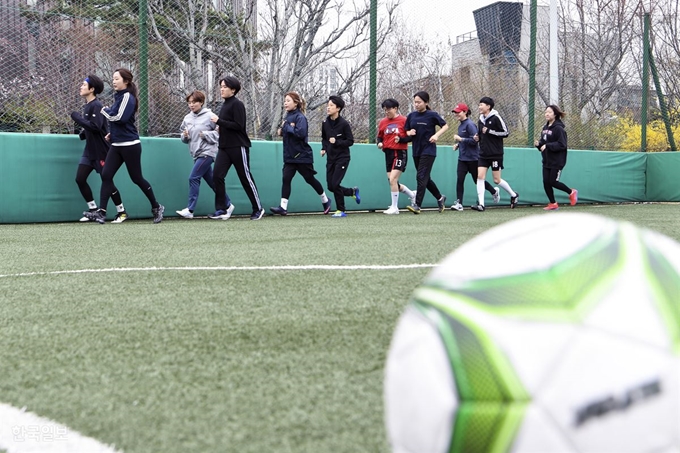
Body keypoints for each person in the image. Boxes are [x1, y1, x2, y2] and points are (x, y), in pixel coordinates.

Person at [83, 68, 164, 224]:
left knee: (136, 178)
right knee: (106, 175)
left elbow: (119, 117)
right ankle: (101, 212)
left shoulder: (127, 96)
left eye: (116, 79)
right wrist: (112, 134)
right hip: (117, 144)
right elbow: (120, 121)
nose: (113, 81)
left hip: (130, 145)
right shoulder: (119, 97)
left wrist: (104, 111)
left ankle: (156, 207)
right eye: (113, 79)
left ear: (126, 81)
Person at [71, 75, 127, 223]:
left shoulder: (97, 105)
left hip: (102, 151)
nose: (81, 87)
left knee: (107, 180)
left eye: (84, 85)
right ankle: (93, 210)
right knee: (80, 179)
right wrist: (83, 134)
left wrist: (77, 118)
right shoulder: (88, 106)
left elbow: (96, 127)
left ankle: (121, 212)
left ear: (92, 89)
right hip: (89, 151)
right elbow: (92, 126)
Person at [209, 76, 263, 220]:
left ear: (233, 90)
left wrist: (219, 121)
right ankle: (223, 208)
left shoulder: (237, 104)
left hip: (238, 146)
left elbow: (239, 125)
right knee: (217, 176)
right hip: (224, 147)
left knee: (245, 177)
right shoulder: (224, 104)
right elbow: (226, 124)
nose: (222, 89)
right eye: (221, 86)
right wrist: (219, 127)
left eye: (225, 87)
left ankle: (258, 208)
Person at [270, 92, 332, 216]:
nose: (285, 103)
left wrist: (287, 127)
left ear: (296, 103)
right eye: (285, 101)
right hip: (289, 156)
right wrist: (282, 131)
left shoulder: (300, 117)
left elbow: (301, 133)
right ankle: (283, 207)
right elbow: (287, 131)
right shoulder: (287, 117)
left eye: (288, 101)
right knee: (286, 179)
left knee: (309, 179)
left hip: (302, 156)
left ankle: (326, 200)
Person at [402, 91, 448, 214]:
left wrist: (436, 135)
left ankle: (417, 205)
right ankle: (440, 198)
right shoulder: (411, 116)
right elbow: (406, 130)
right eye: (415, 102)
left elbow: (445, 126)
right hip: (416, 150)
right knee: (425, 179)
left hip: (429, 150)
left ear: (426, 103)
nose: (416, 104)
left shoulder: (432, 115)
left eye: (419, 102)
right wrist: (409, 133)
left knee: (420, 177)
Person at [176, 90, 219, 219]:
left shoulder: (210, 116)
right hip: (196, 153)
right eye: (189, 102)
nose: (191, 105)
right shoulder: (187, 118)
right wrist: (184, 136)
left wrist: (206, 134)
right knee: (212, 182)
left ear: (201, 102)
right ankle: (227, 204)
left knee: (193, 178)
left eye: (194, 102)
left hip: (207, 153)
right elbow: (183, 137)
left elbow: (219, 134)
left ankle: (190, 209)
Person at [450, 102, 499, 211]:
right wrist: (458, 145)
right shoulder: (461, 125)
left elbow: (474, 141)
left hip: (473, 159)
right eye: (455, 112)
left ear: (465, 112)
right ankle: (459, 203)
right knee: (460, 180)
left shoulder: (470, 125)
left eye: (458, 112)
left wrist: (460, 139)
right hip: (462, 159)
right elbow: (465, 140)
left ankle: (494, 192)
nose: (456, 114)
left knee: (477, 181)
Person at [473, 96, 518, 211]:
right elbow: (480, 134)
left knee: (496, 180)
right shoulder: (480, 119)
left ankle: (513, 195)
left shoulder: (496, 118)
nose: (479, 107)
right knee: (480, 177)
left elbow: (506, 133)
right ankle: (481, 205)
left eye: (481, 105)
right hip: (483, 153)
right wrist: (477, 137)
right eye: (479, 105)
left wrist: (490, 131)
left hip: (495, 154)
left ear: (488, 106)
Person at [321, 95, 359, 218]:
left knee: (335, 183)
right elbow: (324, 139)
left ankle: (341, 210)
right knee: (330, 186)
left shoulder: (344, 124)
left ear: (338, 108)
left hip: (342, 158)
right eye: (328, 104)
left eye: (331, 105)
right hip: (330, 158)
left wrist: (336, 142)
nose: (328, 107)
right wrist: (324, 148)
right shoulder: (325, 123)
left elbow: (350, 141)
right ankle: (351, 192)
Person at [376, 98, 416, 214]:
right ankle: (412, 194)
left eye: (388, 109)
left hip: (399, 153)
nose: (386, 112)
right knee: (392, 181)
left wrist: (401, 139)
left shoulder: (404, 120)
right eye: (384, 110)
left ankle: (395, 207)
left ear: (395, 108)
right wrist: (379, 142)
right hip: (388, 153)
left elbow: (410, 137)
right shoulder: (383, 122)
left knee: (393, 179)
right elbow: (380, 136)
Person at [534, 104, 578, 210]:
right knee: (546, 182)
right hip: (546, 160)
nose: (547, 114)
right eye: (546, 112)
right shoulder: (545, 128)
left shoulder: (559, 129)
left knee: (553, 182)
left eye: (549, 112)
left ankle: (571, 192)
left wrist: (547, 146)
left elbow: (562, 144)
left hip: (557, 161)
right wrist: (539, 144)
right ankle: (553, 203)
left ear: (555, 114)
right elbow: (544, 144)